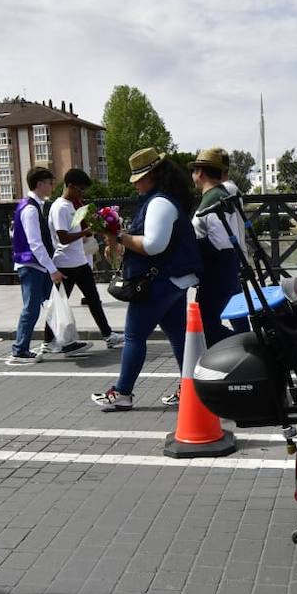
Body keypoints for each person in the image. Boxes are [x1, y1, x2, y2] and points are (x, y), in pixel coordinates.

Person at [92, 148, 201, 412]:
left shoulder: (159, 203)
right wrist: (120, 240)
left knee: (134, 336)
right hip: (173, 280)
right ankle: (193, 389)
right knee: (177, 335)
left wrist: (119, 237)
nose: (136, 184)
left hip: (158, 282)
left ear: (152, 176)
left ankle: (123, 392)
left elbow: (153, 245)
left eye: (139, 178)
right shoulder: (166, 200)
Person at [41, 168, 123, 352]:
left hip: (79, 261)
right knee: (58, 303)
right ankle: (47, 342)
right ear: (69, 186)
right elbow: (62, 238)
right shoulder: (60, 207)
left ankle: (108, 336)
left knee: (94, 300)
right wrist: (85, 233)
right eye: (80, 189)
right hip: (65, 264)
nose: (81, 193)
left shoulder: (71, 205)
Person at [10, 168, 84, 362]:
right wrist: (52, 269)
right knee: (32, 307)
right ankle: (20, 349)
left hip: (37, 265)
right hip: (32, 265)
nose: (53, 186)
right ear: (40, 183)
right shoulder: (30, 209)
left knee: (52, 304)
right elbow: (35, 243)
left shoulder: (32, 206)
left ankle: (60, 341)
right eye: (50, 183)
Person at [191, 148, 247, 347]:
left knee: (209, 326)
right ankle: (250, 350)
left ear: (200, 172)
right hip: (229, 266)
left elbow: (220, 241)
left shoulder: (212, 200)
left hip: (216, 272)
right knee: (238, 317)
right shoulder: (227, 193)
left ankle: (246, 348)